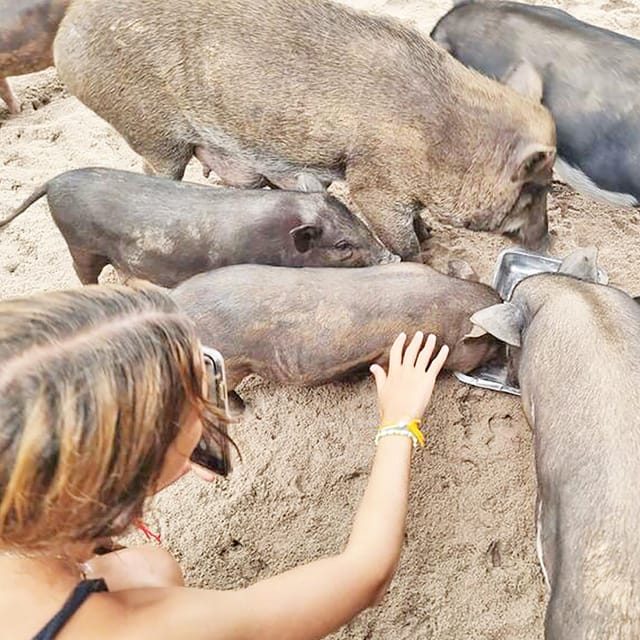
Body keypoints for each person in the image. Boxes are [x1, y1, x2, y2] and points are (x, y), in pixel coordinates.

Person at [0, 282, 449, 640]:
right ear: (117, 493)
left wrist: (156, 466)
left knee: (150, 566)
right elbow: (366, 574)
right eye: (194, 408)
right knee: (150, 571)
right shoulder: (143, 630)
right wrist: (399, 422)